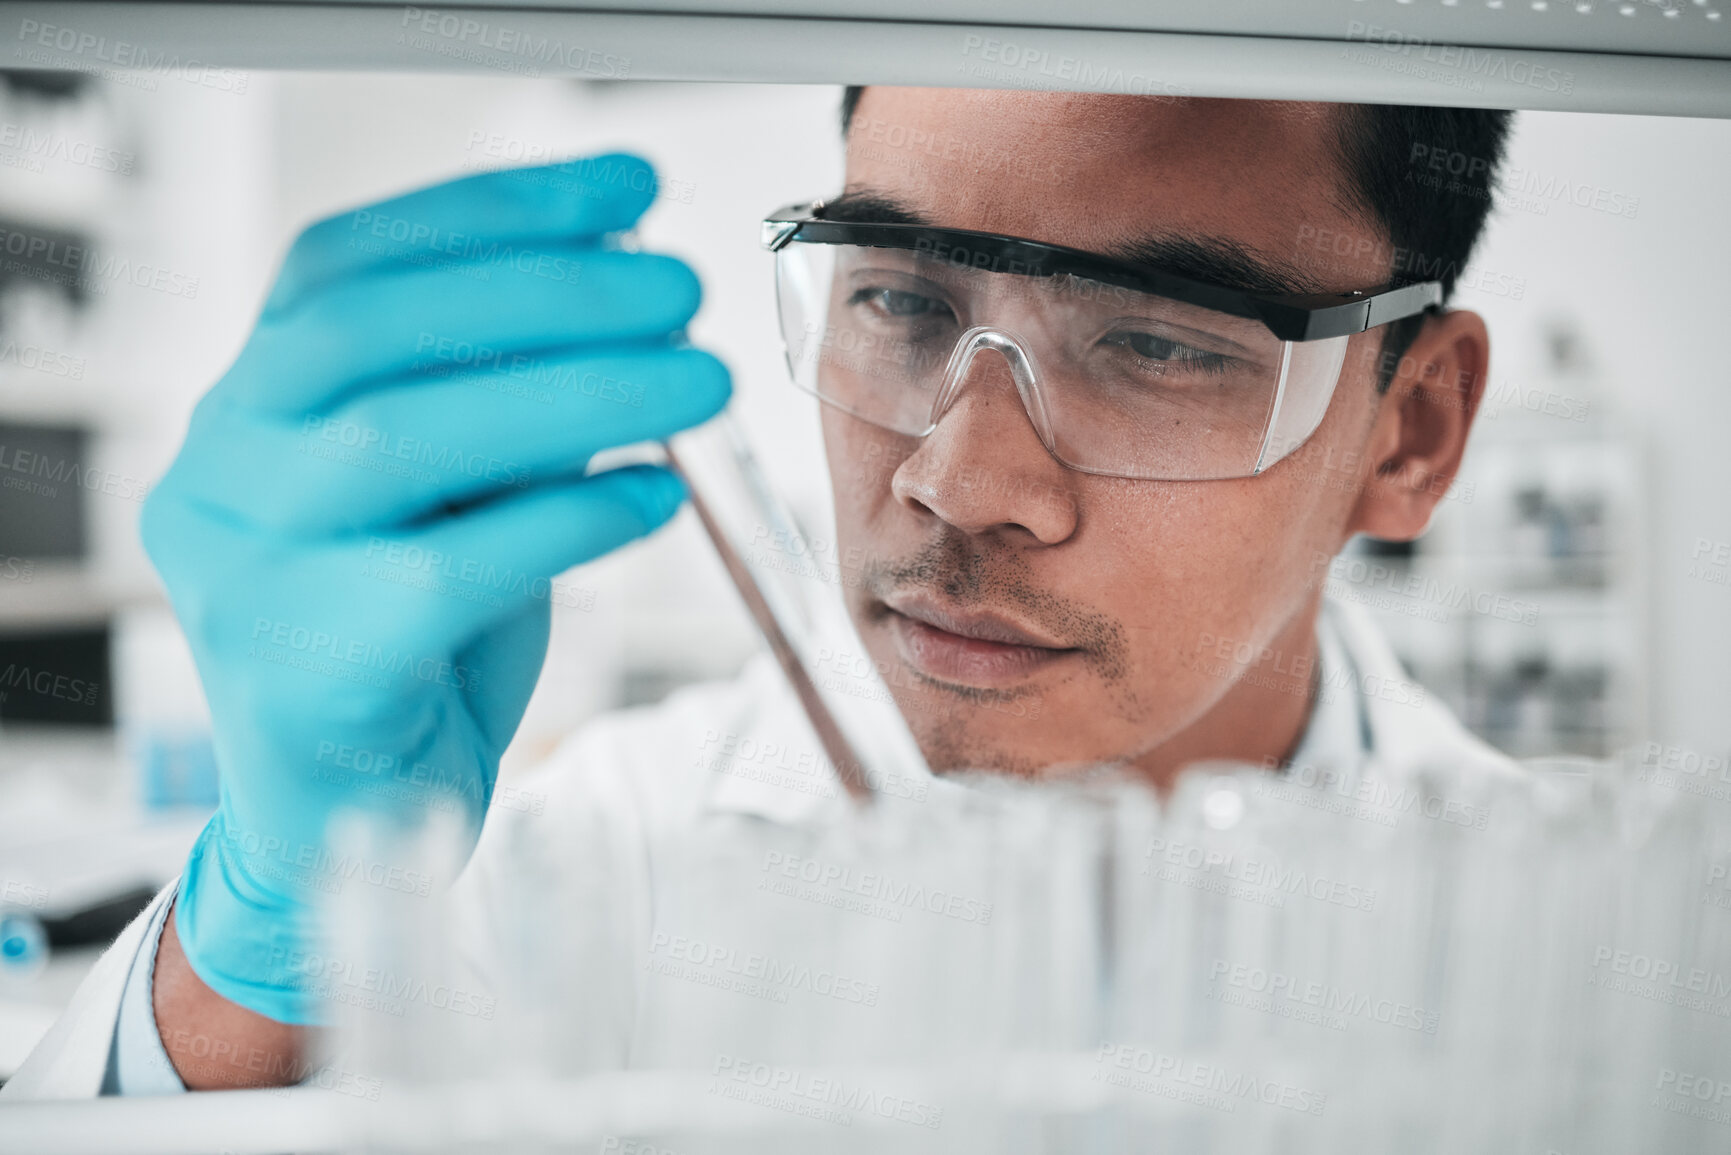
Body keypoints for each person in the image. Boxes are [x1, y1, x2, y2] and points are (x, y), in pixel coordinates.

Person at [4, 86, 1519, 1099]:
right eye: (902, 300)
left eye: (1165, 344)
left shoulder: (1592, 963)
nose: (958, 478)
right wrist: (265, 931)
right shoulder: (587, 865)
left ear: (1413, 432)